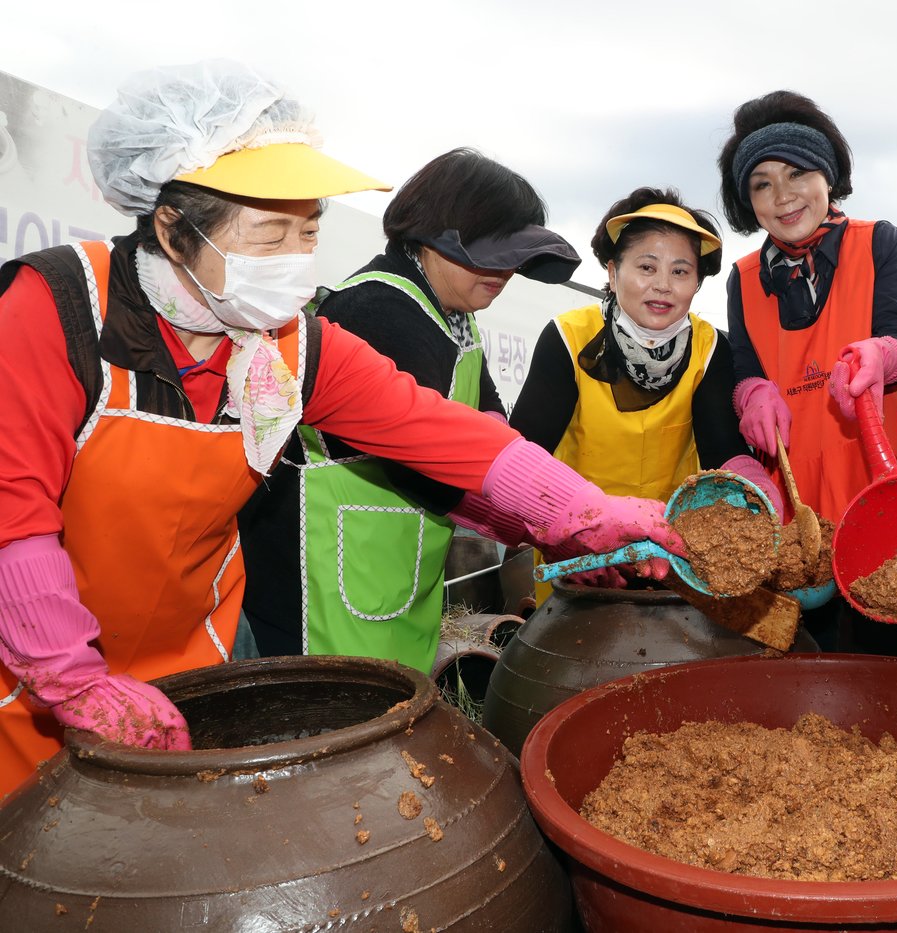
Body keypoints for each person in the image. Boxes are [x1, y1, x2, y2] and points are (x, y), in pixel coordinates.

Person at [0, 61, 681, 797]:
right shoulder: (53, 309)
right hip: (29, 668)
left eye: (310, 231)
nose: (295, 260)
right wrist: (69, 679)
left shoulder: (290, 346)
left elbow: (437, 430)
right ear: (173, 228)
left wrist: (584, 513)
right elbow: (13, 518)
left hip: (195, 662)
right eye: (268, 234)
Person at [239, 149, 581, 672]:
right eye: (495, 251)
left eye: (517, 255)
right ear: (430, 235)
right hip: (322, 581)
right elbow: (426, 464)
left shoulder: (455, 315)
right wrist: (546, 520)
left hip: (394, 574)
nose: (508, 270)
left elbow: (489, 422)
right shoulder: (378, 309)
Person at [718, 91, 897, 654]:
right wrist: (750, 392)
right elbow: (743, 364)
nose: (782, 196)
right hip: (797, 502)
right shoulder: (741, 279)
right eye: (761, 183)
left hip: (878, 488)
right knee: (812, 666)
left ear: (827, 176)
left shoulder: (878, 241)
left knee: (890, 660)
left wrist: (883, 355)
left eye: (797, 173)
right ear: (748, 201)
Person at [511, 187, 781, 593]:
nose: (663, 286)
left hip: (672, 558)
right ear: (612, 271)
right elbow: (527, 451)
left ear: (696, 283)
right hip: (577, 553)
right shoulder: (568, 337)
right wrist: (557, 535)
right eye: (647, 267)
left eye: (680, 271)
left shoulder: (711, 349)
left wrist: (757, 495)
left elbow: (721, 448)